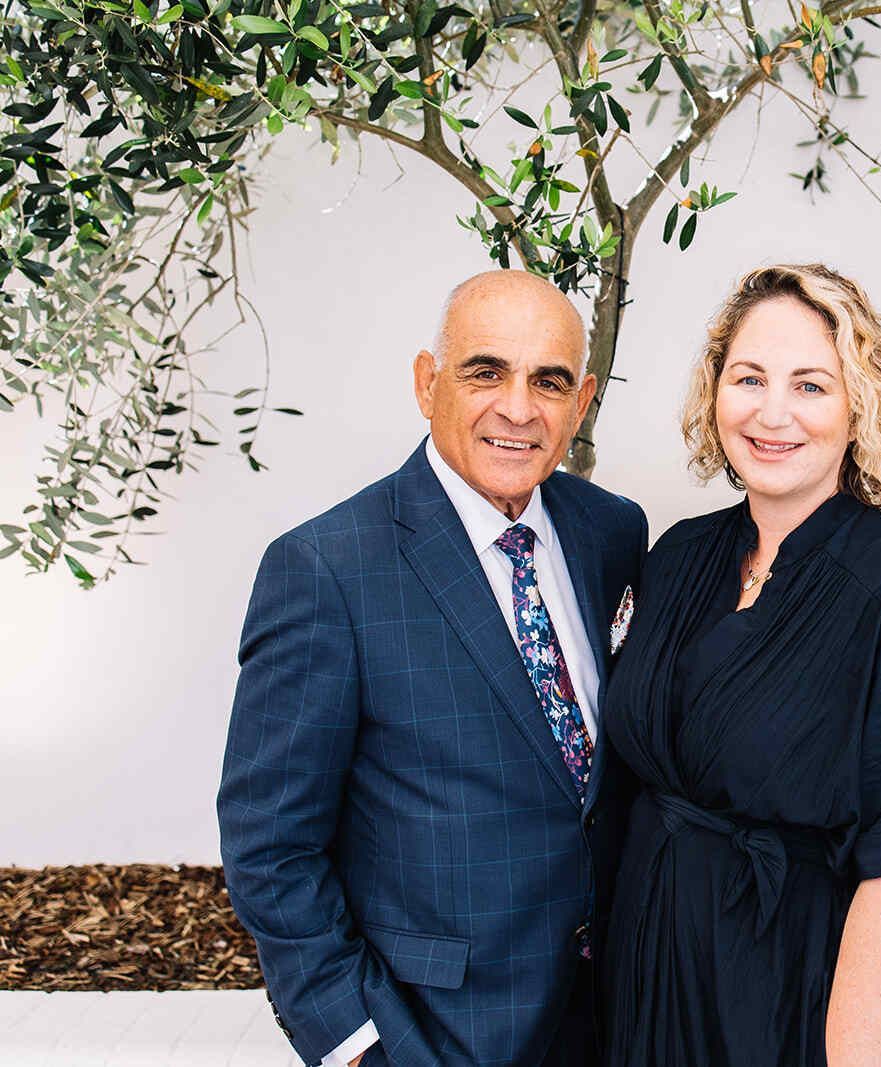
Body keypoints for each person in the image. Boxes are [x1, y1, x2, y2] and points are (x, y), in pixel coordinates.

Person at [218, 271, 647, 1067]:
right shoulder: (326, 569)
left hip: (611, 1017)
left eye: (548, 382)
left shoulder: (611, 533)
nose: (518, 408)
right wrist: (354, 1042)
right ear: (427, 382)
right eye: (486, 371)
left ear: (580, 402)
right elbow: (268, 843)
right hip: (434, 1030)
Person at [600, 264, 881, 1067]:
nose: (773, 412)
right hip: (664, 981)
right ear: (714, 391)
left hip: (819, 999)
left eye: (812, 385)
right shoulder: (678, 557)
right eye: (748, 378)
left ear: (862, 405)